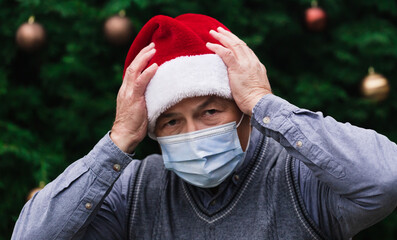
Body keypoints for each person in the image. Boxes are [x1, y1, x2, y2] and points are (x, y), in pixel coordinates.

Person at [12, 13, 397, 240]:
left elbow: (385, 179)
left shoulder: (298, 174)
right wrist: (118, 141)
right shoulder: (135, 187)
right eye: (171, 121)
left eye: (211, 111)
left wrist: (266, 103)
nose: (194, 134)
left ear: (242, 108)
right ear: (153, 130)